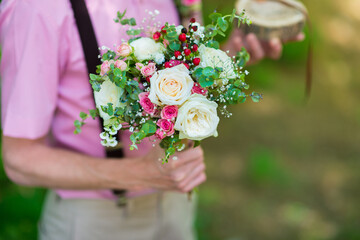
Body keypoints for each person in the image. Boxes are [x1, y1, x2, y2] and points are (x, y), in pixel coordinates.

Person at [0, 0, 303, 239]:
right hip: (94, 219)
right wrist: (139, 174)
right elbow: (19, 158)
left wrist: (225, 58)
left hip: (176, 208)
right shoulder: (38, 7)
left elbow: (182, 76)